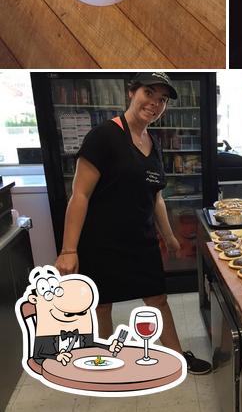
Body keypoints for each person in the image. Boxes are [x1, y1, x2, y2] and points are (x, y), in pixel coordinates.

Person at [55, 72, 211, 375]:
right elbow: (80, 195)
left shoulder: (153, 143)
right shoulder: (103, 137)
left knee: (158, 299)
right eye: (149, 93)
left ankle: (177, 357)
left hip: (141, 240)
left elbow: (156, 197)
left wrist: (169, 236)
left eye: (162, 99)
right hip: (100, 242)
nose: (154, 103)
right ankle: (101, 362)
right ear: (132, 92)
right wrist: (68, 249)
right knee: (101, 306)